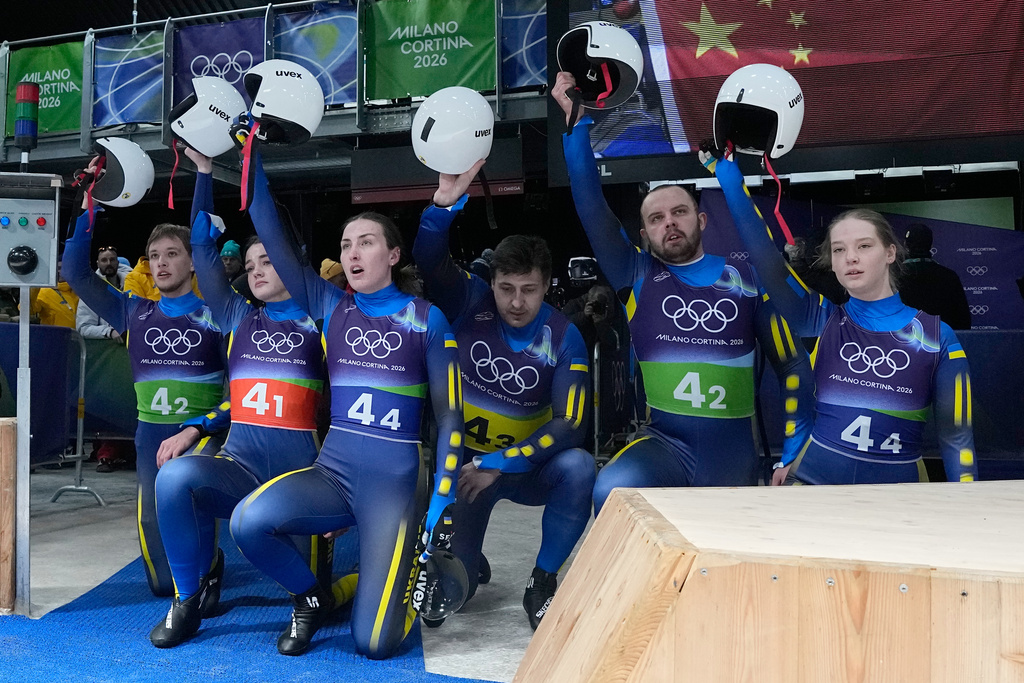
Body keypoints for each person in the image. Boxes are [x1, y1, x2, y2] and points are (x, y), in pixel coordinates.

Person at [229, 150, 463, 659]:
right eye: (346, 245)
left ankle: (353, 585)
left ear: (393, 256)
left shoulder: (429, 319)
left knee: (374, 644)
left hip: (394, 487)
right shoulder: (330, 306)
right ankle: (314, 595)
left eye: (367, 243)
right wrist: (253, 147)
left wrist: (439, 502)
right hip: (332, 474)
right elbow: (269, 227)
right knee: (248, 522)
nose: (353, 254)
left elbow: (449, 418)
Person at [553, 72, 814, 507]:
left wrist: (793, 454)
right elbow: (591, 206)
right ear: (643, 234)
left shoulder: (748, 278)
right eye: (656, 218)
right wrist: (578, 125)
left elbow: (792, 365)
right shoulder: (634, 275)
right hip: (663, 449)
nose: (669, 222)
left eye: (680, 212)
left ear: (702, 220)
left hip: (732, 456)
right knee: (609, 491)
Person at [147, 149, 333, 648]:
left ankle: (307, 597)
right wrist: (204, 173)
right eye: (250, 263)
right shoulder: (237, 317)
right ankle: (189, 598)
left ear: (292, 261)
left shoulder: (321, 318)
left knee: (330, 584)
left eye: (268, 259)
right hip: (243, 465)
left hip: (303, 476)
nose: (255, 270)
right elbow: (204, 252)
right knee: (176, 476)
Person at [712, 154, 977, 484]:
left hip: (900, 499)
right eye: (839, 250)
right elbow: (769, 264)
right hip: (813, 486)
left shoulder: (940, 338)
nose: (850, 257)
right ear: (833, 265)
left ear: (890, 253)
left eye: (864, 246)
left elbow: (958, 441)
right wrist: (730, 182)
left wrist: (969, 509)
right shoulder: (819, 320)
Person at [413, 164, 594, 631]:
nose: (516, 302)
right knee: (451, 602)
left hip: (519, 468)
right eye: (506, 289)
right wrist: (442, 204)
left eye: (529, 291)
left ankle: (543, 581)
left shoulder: (565, 336)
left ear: (547, 286)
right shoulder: (469, 301)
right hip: (464, 469)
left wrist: (501, 463)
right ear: (490, 283)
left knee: (579, 468)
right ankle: (469, 562)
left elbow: (569, 425)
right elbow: (429, 260)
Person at [61, 157, 227, 597]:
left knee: (195, 517)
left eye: (173, 254)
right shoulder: (132, 310)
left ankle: (211, 565)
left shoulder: (218, 314)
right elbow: (75, 272)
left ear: (194, 263)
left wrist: (205, 174)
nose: (161, 263)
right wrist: (88, 201)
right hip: (150, 437)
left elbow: (205, 236)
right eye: (154, 256)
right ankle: (193, 569)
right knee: (159, 583)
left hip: (201, 436)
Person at [898, 223, 971, 330]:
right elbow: (963, 321)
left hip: (900, 344)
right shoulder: (949, 276)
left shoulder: (893, 277)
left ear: (906, 246)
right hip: (942, 343)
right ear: (931, 245)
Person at [76, 245, 131, 342]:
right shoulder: (90, 291)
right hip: (106, 351)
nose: (109, 263)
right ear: (98, 263)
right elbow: (83, 328)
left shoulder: (132, 286)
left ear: (117, 263)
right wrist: (109, 332)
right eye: (104, 260)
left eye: (112, 260)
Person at [25, 256, 79, 328]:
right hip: (53, 337)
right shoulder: (43, 292)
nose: (60, 271)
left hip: (78, 337)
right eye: (58, 268)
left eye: (64, 268)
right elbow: (27, 311)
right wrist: (34, 287)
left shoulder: (79, 291)